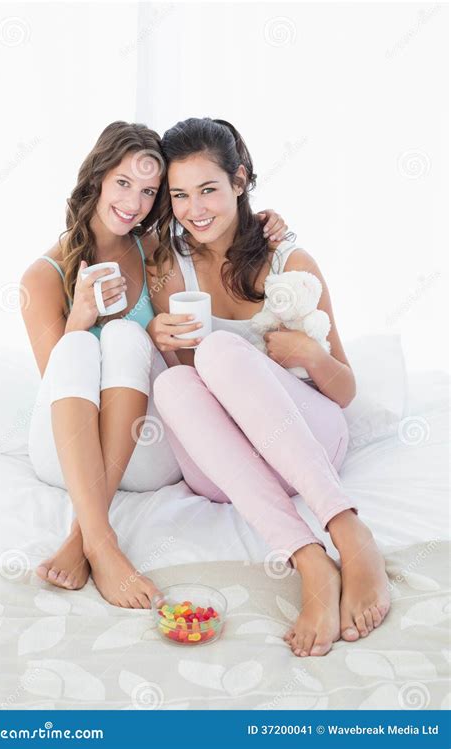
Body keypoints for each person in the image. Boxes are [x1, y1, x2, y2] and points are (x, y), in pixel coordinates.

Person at [146, 117, 391, 656]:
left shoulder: (290, 260)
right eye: (180, 195)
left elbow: (345, 390)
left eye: (209, 189)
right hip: (227, 471)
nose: (195, 209)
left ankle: (349, 532)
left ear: (240, 181)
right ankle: (309, 559)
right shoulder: (167, 268)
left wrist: (309, 354)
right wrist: (159, 340)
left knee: (218, 350)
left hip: (308, 443)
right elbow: (193, 387)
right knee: (174, 385)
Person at [21, 120, 288, 608]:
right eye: (123, 183)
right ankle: (102, 544)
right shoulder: (42, 276)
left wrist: (266, 222)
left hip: (144, 451)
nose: (134, 203)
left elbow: (222, 232)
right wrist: (79, 317)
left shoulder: (156, 252)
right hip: (65, 452)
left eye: (148, 191)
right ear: (97, 178)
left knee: (125, 332)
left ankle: (85, 535)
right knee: (77, 348)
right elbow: (54, 384)